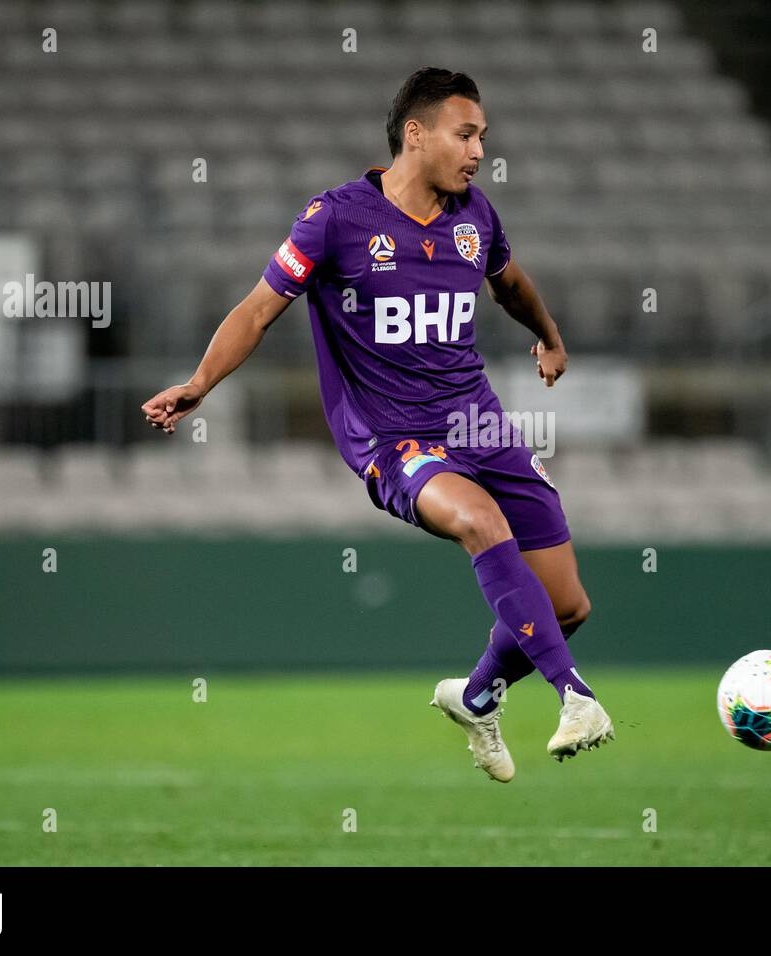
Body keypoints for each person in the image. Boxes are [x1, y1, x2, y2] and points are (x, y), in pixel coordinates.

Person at [141, 67, 613, 783]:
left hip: (480, 426)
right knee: (481, 523)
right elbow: (257, 309)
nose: (479, 149)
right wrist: (202, 382)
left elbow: (510, 281)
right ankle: (573, 696)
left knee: (568, 603)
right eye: (466, 134)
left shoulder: (474, 217)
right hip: (395, 440)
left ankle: (478, 696)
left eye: (483, 136)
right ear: (415, 135)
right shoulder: (335, 219)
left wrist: (548, 335)